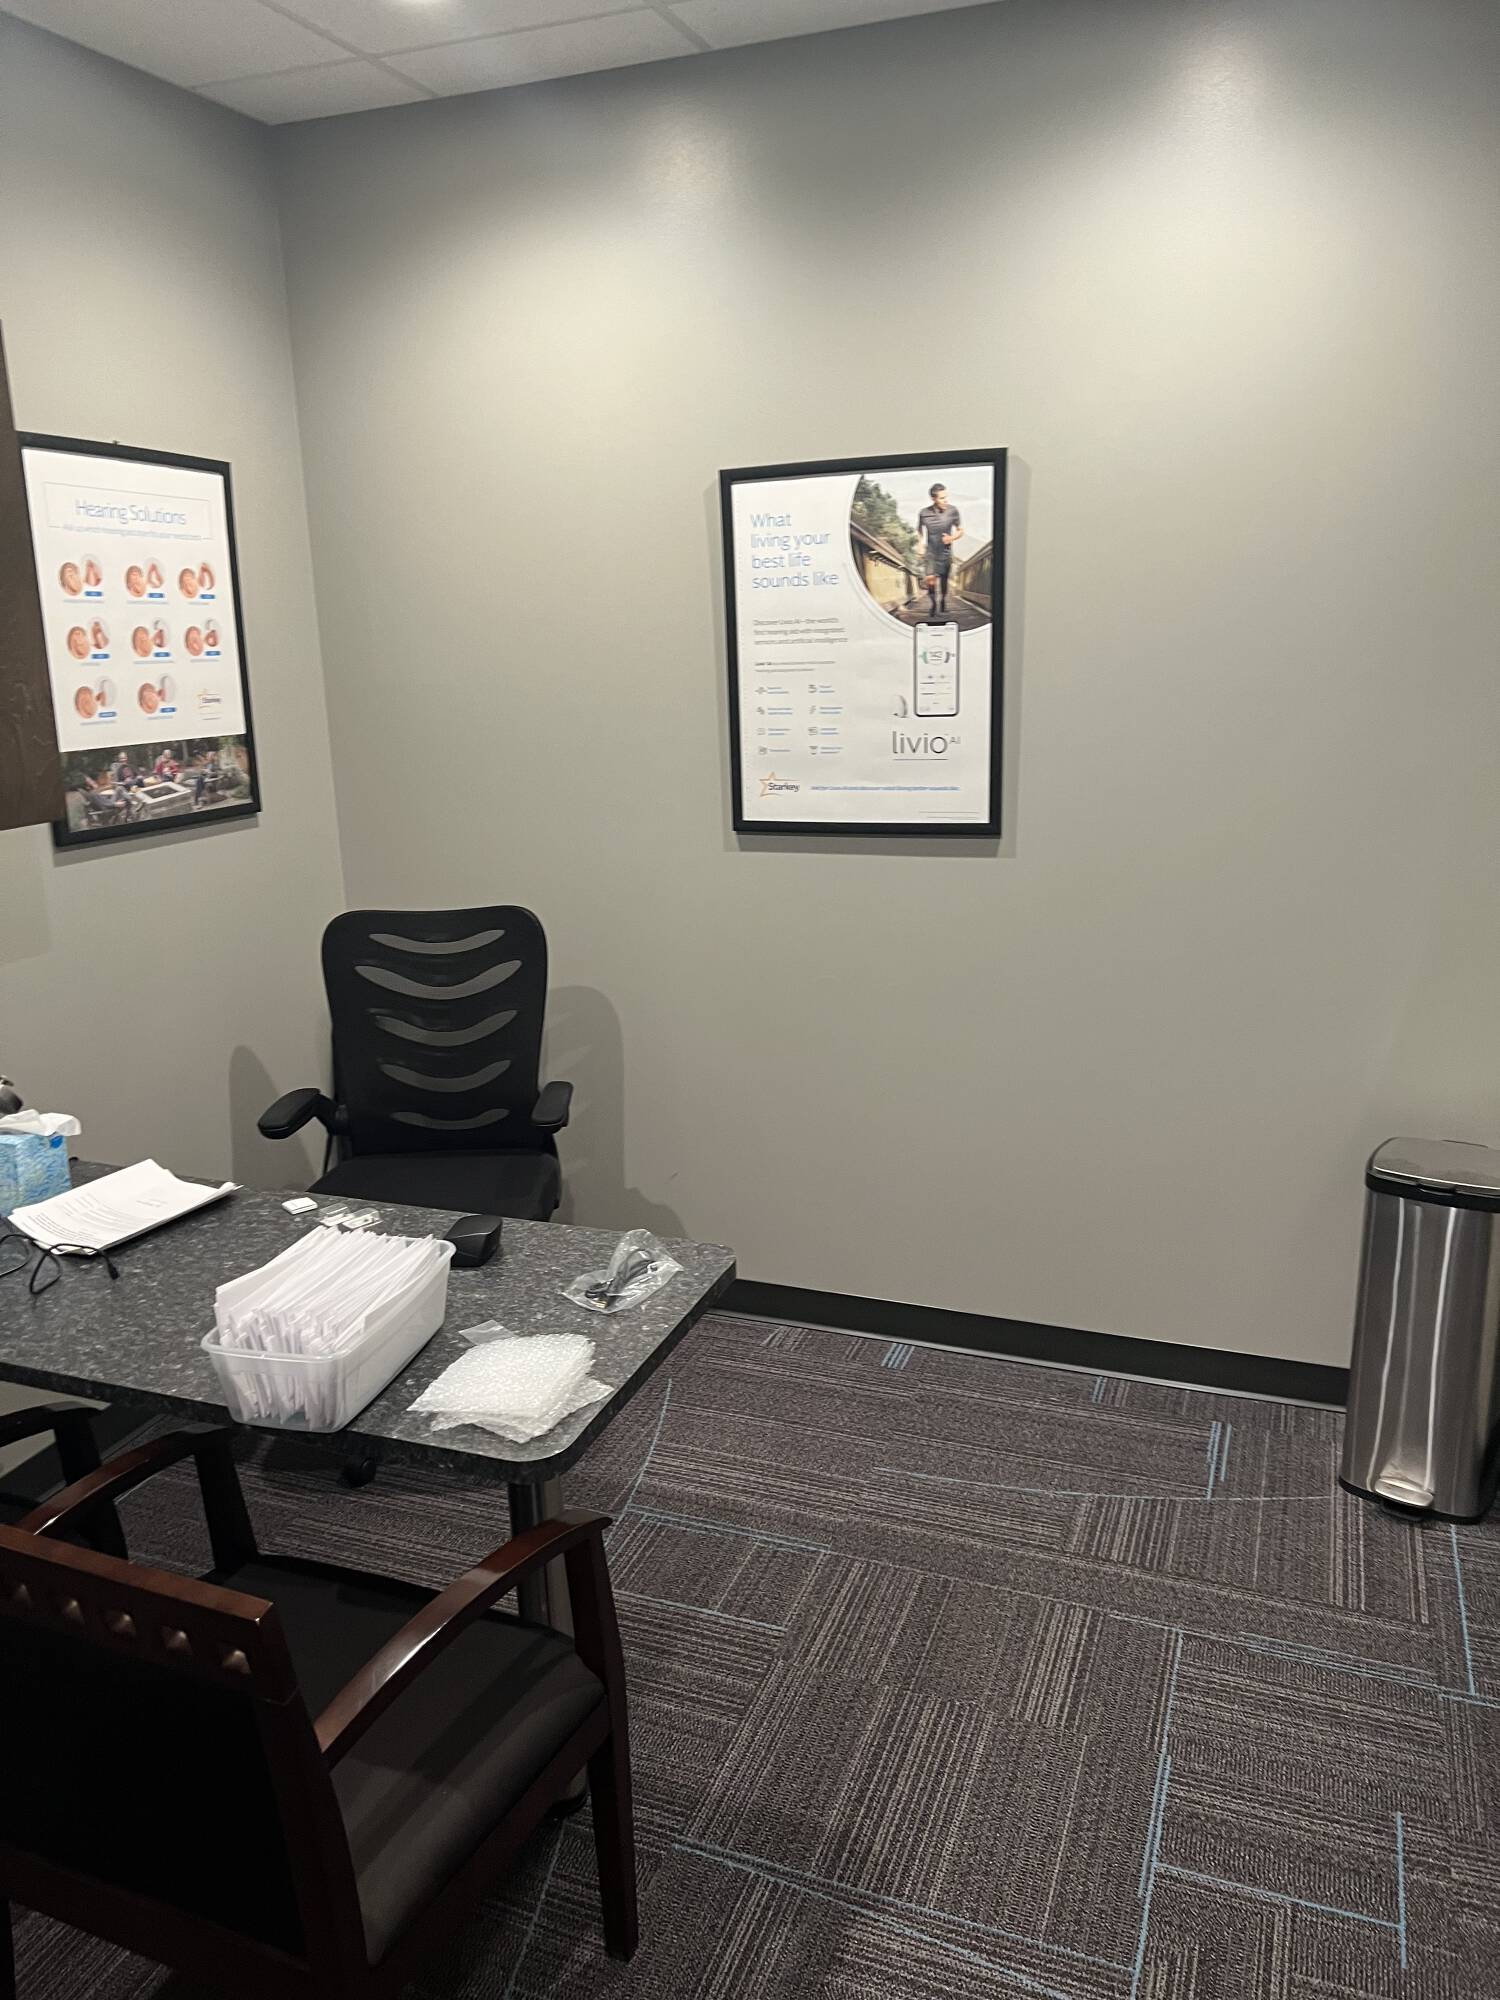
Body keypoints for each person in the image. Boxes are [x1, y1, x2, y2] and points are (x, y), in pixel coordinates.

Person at [916, 482, 962, 618]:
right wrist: (920, 544)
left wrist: (951, 538)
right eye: (942, 498)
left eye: (946, 497)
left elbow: (960, 530)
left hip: (945, 553)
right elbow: (919, 530)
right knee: (930, 580)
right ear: (933, 498)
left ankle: (942, 601)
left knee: (943, 581)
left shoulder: (953, 511)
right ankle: (933, 604)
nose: (945, 500)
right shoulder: (924, 513)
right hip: (930, 553)